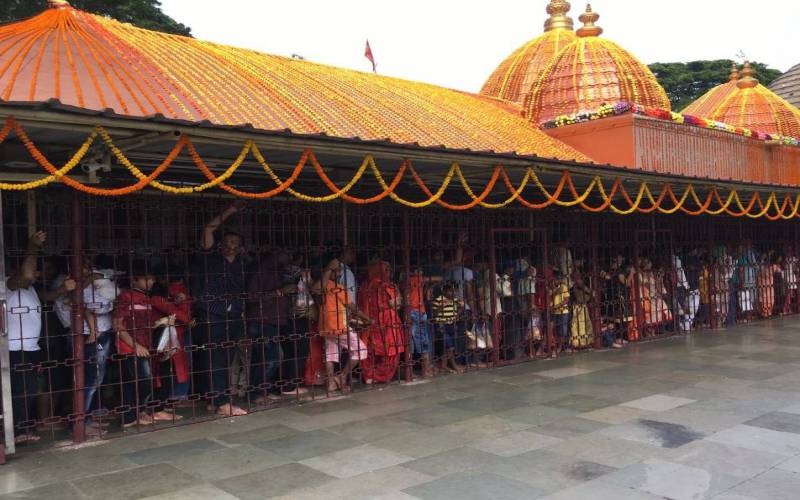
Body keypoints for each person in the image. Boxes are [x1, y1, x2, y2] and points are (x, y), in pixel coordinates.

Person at [196, 203, 248, 416]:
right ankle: (222, 402)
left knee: (225, 357)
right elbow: (208, 229)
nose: (230, 245)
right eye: (226, 242)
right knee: (216, 357)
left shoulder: (243, 264)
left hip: (233, 314)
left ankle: (213, 398)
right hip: (213, 312)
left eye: (234, 242)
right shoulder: (211, 259)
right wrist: (230, 210)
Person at [113, 261, 175, 427]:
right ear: (134, 280)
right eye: (146, 279)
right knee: (143, 382)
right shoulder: (125, 297)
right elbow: (117, 326)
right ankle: (131, 416)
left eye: (152, 279)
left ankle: (135, 415)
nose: (151, 282)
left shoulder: (146, 299)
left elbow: (145, 324)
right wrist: (136, 346)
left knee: (137, 382)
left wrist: (161, 322)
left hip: (143, 346)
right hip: (130, 347)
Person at [4, 231, 47, 443]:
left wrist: (64, 290)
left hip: (30, 348)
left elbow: (49, 296)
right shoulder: (7, 285)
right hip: (14, 349)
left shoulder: (30, 289)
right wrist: (33, 246)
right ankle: (18, 431)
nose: (35, 273)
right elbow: (27, 276)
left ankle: (24, 427)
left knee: (29, 390)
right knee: (19, 391)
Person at [247, 251, 299, 401]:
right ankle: (257, 393)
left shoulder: (279, 272)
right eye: (286, 253)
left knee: (261, 358)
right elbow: (251, 297)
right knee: (274, 357)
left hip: (272, 320)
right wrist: (279, 292)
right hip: (261, 320)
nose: (289, 257)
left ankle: (260, 391)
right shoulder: (262, 270)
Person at [316, 257, 370, 394]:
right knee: (361, 349)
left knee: (331, 354)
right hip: (339, 326)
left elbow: (316, 288)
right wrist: (368, 319)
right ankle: (342, 376)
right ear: (331, 272)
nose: (340, 273)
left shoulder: (324, 286)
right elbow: (353, 308)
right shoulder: (338, 288)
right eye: (338, 271)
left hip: (326, 327)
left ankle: (330, 383)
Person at [359, 261, 405, 384]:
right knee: (390, 352)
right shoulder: (386, 286)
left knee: (369, 351)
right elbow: (396, 304)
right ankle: (379, 376)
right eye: (387, 270)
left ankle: (369, 375)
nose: (389, 273)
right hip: (387, 323)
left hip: (370, 323)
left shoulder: (364, 285)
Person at [406, 265, 433, 377]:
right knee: (423, 342)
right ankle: (425, 370)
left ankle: (410, 371)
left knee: (410, 343)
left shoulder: (406, 280)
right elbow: (437, 279)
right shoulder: (417, 278)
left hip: (411, 312)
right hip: (417, 312)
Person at [431, 283, 464, 373]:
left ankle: (444, 366)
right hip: (442, 326)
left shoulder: (455, 300)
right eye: (450, 291)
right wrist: (441, 307)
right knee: (449, 347)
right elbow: (433, 314)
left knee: (448, 347)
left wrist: (460, 309)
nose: (453, 293)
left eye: (455, 291)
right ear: (444, 291)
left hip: (452, 325)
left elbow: (459, 310)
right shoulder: (439, 300)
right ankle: (454, 366)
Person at [569, 272, 593, 349]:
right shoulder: (573, 287)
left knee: (585, 324)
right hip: (577, 306)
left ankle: (585, 342)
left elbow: (589, 292)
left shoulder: (581, 286)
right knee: (577, 324)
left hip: (583, 305)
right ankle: (577, 342)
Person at [549, 269, 570, 354]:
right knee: (555, 330)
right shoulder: (552, 287)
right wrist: (556, 291)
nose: (557, 280)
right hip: (554, 312)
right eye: (555, 279)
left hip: (563, 311)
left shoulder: (564, 286)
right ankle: (557, 346)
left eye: (558, 279)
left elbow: (566, 299)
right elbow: (550, 295)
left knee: (562, 330)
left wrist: (559, 305)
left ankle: (560, 347)